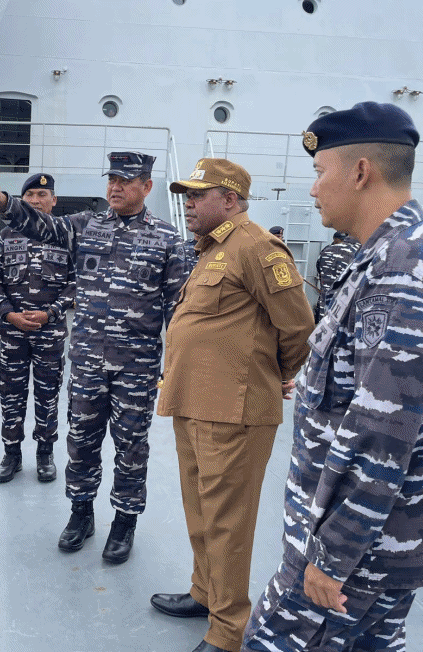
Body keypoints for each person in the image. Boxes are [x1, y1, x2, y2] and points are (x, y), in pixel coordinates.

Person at [243, 102, 423, 651]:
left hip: (356, 554)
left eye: (320, 173)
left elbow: (382, 433)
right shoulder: (391, 255)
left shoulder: (405, 269)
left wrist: (331, 558)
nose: (314, 190)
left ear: (360, 172)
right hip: (372, 542)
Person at [0, 151, 189, 564]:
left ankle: (124, 521)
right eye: (112, 179)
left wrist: (177, 366)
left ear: (147, 186)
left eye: (127, 181)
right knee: (82, 440)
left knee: (130, 446)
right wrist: (1, 202)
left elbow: (180, 310)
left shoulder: (166, 239)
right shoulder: (84, 226)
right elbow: (39, 224)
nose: (116, 187)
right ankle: (80, 513)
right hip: (87, 361)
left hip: (136, 367)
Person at [151, 158, 315, 652]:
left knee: (228, 523)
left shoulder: (258, 247)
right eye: (187, 194)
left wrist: (276, 375)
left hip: (235, 412)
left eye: (198, 194)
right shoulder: (211, 250)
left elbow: (298, 328)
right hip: (194, 403)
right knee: (199, 511)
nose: (189, 202)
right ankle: (205, 594)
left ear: (230, 198)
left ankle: (228, 631)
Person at [0, 173, 75, 484]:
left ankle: (45, 452)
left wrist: (50, 313)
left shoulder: (67, 236)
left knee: (48, 394)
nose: (35, 200)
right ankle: (11, 454)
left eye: (41, 194)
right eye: (30, 195)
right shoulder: (6, 237)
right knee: (11, 393)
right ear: (22, 201)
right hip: (13, 334)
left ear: (53, 200)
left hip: (50, 334)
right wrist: (9, 315)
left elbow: (77, 284)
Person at [314, 231, 359, 320]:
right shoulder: (356, 250)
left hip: (326, 295)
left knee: (323, 321)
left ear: (335, 239)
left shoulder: (326, 250)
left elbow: (318, 267)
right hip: (345, 296)